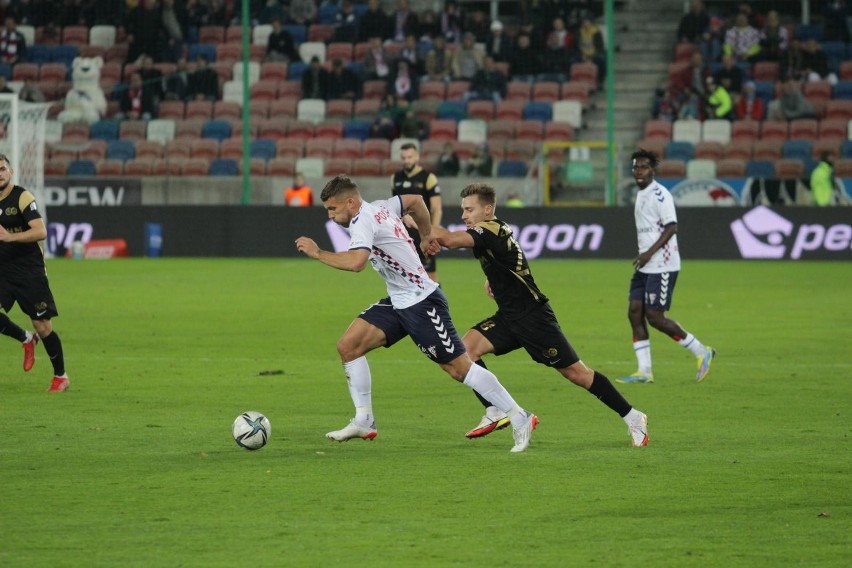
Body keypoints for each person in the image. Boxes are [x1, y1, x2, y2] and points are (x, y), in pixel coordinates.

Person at [295, 175, 538, 453]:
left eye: (333, 209)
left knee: (459, 369)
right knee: (349, 346)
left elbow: (356, 263)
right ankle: (364, 420)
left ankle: (521, 417)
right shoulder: (382, 206)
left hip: (422, 302)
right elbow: (414, 201)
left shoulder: (364, 220)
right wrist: (425, 236)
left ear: (350, 202)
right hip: (399, 300)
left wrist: (317, 253)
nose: (330, 215)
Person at [428, 183, 648, 447]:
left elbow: (450, 241)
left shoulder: (489, 229)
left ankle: (634, 417)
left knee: (578, 374)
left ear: (487, 209)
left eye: (469, 209)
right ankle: (496, 410)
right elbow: (511, 262)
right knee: (465, 352)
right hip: (509, 316)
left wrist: (414, 220)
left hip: (533, 317)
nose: (464, 215)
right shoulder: (492, 230)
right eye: (463, 210)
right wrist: (495, 282)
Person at [618, 149, 716, 385]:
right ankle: (644, 371)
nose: (638, 171)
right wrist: (644, 255)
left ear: (653, 170)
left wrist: (648, 253)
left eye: (643, 167)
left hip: (662, 264)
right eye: (635, 167)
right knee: (634, 312)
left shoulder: (661, 195)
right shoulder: (641, 194)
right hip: (645, 264)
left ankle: (702, 351)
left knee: (655, 317)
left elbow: (672, 227)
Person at [0, 153, 70, 392]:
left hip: (28, 270)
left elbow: (41, 231)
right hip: (2, 271)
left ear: (11, 171)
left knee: (42, 325)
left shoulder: (22, 197)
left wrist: (10, 237)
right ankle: (25, 338)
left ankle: (60, 376)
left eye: (2, 169)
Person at [391, 142, 442, 283]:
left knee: (430, 276)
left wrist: (432, 233)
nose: (407, 160)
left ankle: (439, 305)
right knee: (404, 277)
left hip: (422, 234)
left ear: (417, 157)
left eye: (410, 157)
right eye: (404, 157)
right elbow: (394, 208)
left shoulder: (428, 178)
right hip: (402, 235)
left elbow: (436, 208)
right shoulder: (395, 179)